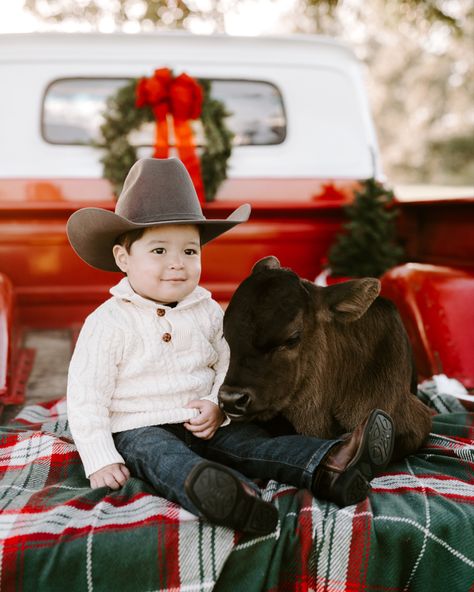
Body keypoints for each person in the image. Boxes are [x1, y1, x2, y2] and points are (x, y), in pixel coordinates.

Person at [66, 157, 395, 536]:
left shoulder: (206, 309)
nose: (177, 264)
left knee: (254, 445)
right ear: (123, 259)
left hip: (204, 420)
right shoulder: (109, 322)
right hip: (140, 426)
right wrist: (99, 458)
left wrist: (217, 405)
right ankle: (225, 496)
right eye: (159, 251)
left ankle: (332, 465)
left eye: (189, 252)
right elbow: (86, 398)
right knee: (163, 458)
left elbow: (229, 362)